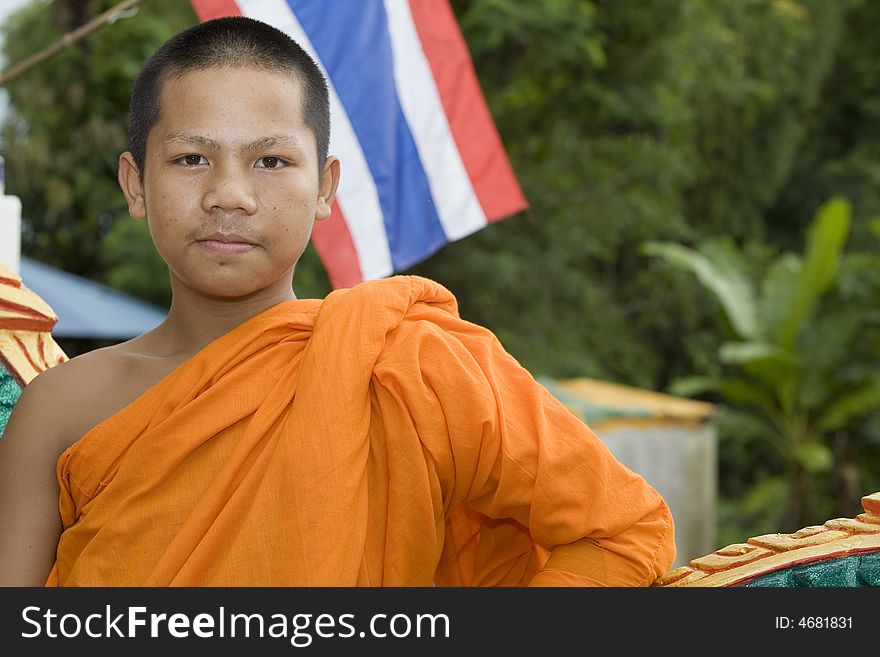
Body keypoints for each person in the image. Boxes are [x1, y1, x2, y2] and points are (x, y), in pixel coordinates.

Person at [0, 16, 675, 587]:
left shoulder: (411, 363)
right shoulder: (61, 408)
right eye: (190, 159)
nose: (230, 194)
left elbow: (623, 529)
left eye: (271, 161)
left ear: (325, 188)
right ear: (135, 182)